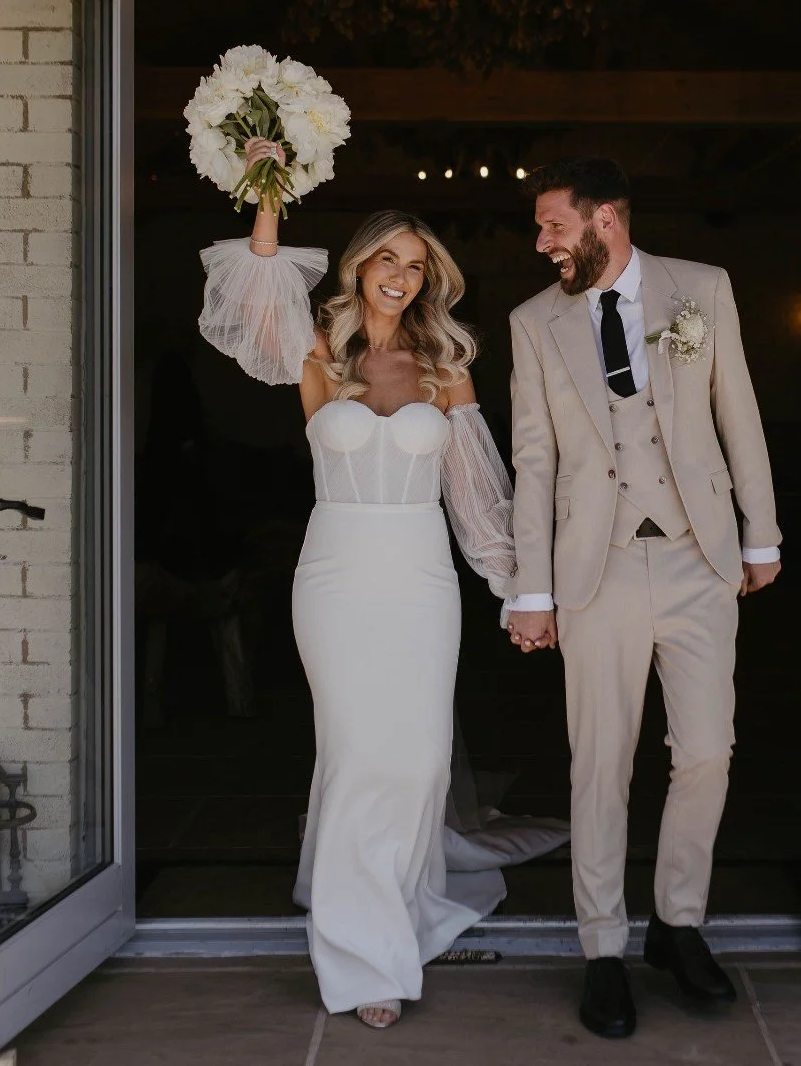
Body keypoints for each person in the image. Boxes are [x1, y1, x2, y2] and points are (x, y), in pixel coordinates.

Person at [197, 137, 568, 1030]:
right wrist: (268, 190)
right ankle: (365, 958)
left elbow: (477, 492)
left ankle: (393, 904)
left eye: (416, 264)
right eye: (388, 260)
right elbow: (253, 295)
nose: (401, 277)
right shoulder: (317, 352)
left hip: (421, 576)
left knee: (419, 759)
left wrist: (518, 590)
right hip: (334, 575)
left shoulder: (446, 366)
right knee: (358, 755)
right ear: (359, 267)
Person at [505, 158, 782, 1038]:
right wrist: (532, 589)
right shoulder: (534, 322)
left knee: (706, 751)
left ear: (607, 220)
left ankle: (677, 923)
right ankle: (602, 949)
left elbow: (738, 411)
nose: (542, 242)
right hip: (598, 567)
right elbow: (534, 461)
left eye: (555, 224)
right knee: (601, 762)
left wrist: (761, 533)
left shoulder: (701, 289)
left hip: (701, 557)